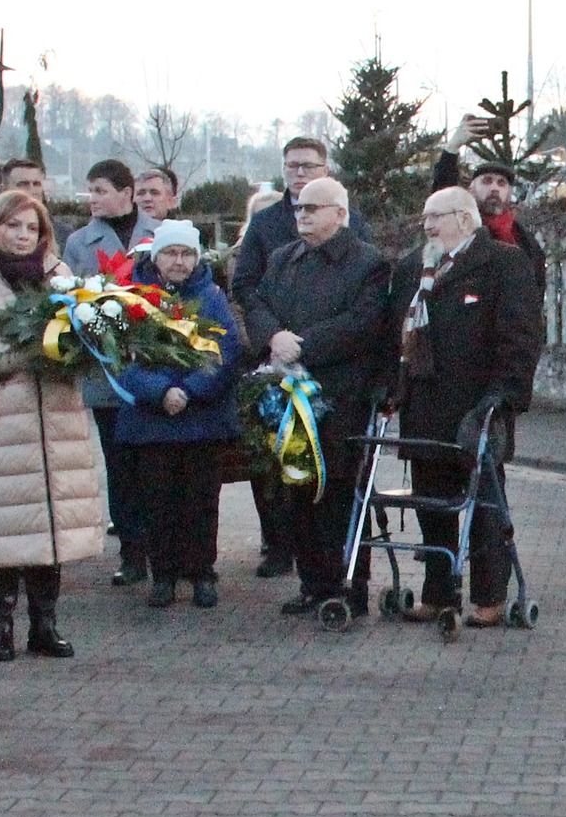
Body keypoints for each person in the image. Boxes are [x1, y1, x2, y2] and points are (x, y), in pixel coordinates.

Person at [0, 191, 105, 661]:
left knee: (51, 527)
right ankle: (0, 627)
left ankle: (44, 625)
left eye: (31, 227)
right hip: (0, 422)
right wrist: (21, 353)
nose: (23, 235)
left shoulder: (61, 276)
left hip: (56, 418)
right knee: (3, 531)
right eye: (13, 226)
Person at [386, 186, 542, 625]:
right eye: (425, 217)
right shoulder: (414, 267)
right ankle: (438, 592)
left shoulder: (503, 263)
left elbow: (521, 335)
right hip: (423, 402)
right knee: (431, 502)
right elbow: (394, 331)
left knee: (485, 503)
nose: (428, 225)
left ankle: (489, 597)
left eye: (436, 216)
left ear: (465, 218)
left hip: (477, 405)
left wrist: (505, 394)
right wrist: (391, 388)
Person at [241, 176, 390, 619]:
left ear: (340, 214)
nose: (301, 215)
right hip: (288, 394)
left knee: (340, 490)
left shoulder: (368, 263)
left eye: (312, 208)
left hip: (340, 396)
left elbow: (362, 323)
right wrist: (273, 336)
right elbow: (257, 303)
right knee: (296, 488)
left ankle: (348, 585)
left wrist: (303, 345)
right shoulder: (284, 257)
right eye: (299, 208)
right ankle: (312, 582)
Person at [110, 221, 244, 609]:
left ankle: (201, 573)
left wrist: (189, 390)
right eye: (170, 253)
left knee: (201, 503)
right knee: (157, 502)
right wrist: (160, 391)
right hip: (151, 423)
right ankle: (163, 575)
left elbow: (225, 352)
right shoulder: (131, 298)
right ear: (156, 257)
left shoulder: (212, 296)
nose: (179, 261)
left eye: (187, 254)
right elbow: (120, 355)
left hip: (201, 419)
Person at [63, 159, 162, 587]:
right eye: (90, 190)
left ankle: (165, 550)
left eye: (101, 190)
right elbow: (68, 299)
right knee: (119, 465)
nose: (93, 199)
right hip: (107, 373)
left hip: (154, 368)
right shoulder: (79, 242)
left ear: (126, 192)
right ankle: (133, 551)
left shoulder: (160, 233)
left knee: (155, 465)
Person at [229, 188, 292, 577]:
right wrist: (264, 342)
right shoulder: (240, 261)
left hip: (292, 356)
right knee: (263, 461)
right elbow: (237, 308)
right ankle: (275, 538)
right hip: (256, 361)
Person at [232, 137, 351, 304]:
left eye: (308, 166)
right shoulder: (263, 222)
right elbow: (244, 284)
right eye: (292, 165)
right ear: (284, 169)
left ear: (325, 171)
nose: (300, 173)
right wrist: (267, 320)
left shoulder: (349, 219)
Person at [431, 116, 546, 284]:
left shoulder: (524, 241)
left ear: (509, 193)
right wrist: (452, 148)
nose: (494, 188)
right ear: (471, 189)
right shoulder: (461, 229)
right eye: (487, 181)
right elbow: (442, 198)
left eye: (501, 183)